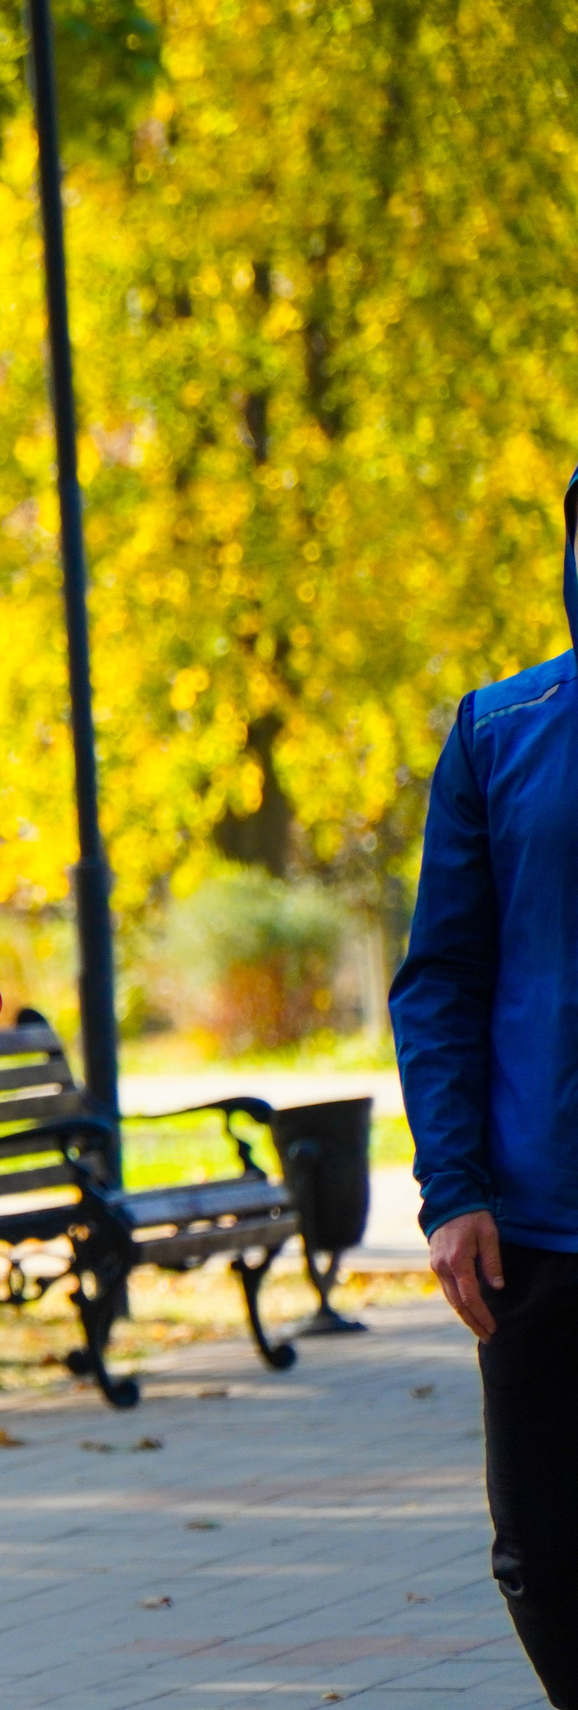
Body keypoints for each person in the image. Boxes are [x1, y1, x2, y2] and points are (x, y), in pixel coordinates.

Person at [388, 469, 578, 1708]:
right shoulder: (501, 730)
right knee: (543, 1557)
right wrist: (453, 1188)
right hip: (539, 1227)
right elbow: (440, 980)